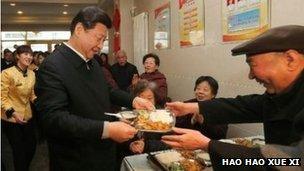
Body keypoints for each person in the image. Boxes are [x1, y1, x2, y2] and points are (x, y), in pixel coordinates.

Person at [162, 25, 304, 170]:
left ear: (290, 60)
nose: (250, 75)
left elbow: (292, 162)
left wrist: (207, 145)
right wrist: (191, 107)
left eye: (253, 65)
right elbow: (243, 106)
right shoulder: (281, 94)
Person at [34, 6, 154, 171]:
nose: (100, 45)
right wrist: (107, 129)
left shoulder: (92, 61)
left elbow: (107, 90)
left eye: (104, 40)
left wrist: (133, 100)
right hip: (76, 159)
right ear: (79, 30)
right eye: (98, 38)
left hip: (103, 153)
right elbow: (54, 119)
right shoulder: (53, 65)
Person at [1, 45, 37, 171]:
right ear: (17, 56)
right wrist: (14, 113)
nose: (29, 57)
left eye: (31, 55)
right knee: (19, 151)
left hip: (28, 116)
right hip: (11, 119)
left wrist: (39, 102)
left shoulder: (32, 74)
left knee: (32, 146)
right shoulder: (7, 73)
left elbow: (32, 94)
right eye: (26, 54)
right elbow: (1, 97)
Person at [176, 76, 228, 140]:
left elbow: (221, 135)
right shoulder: (187, 104)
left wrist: (202, 122)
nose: (200, 92)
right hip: (186, 141)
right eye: (198, 88)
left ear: (213, 94)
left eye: (205, 90)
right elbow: (176, 126)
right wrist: (192, 120)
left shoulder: (219, 108)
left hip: (207, 144)